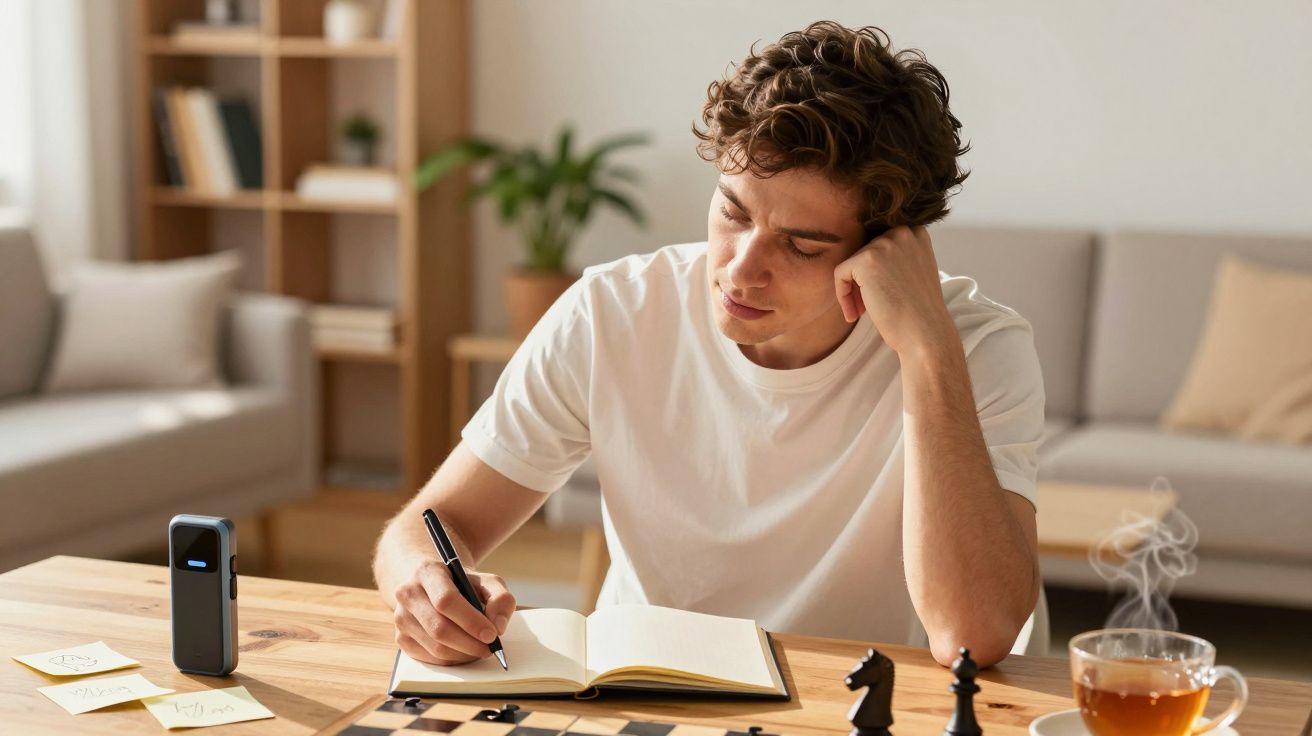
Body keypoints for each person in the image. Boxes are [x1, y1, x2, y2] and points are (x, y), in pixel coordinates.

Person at [373, 20, 1042, 669]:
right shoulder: (615, 310)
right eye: (733, 211)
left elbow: (971, 636)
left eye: (801, 244)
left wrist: (927, 355)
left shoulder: (975, 347)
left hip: (852, 710)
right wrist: (424, 584)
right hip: (644, 696)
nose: (742, 268)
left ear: (886, 249)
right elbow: (430, 524)